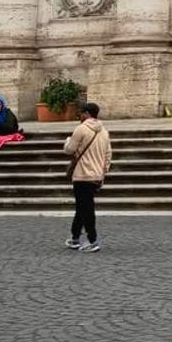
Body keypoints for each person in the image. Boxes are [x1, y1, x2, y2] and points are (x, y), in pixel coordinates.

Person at [64, 102, 112, 251]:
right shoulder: (104, 131)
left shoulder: (81, 129)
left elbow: (69, 150)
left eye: (81, 113)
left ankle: (93, 240)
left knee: (86, 209)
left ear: (86, 114)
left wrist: (67, 141)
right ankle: (75, 237)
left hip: (82, 175)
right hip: (96, 175)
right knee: (82, 207)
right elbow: (108, 155)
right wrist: (103, 172)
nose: (80, 116)